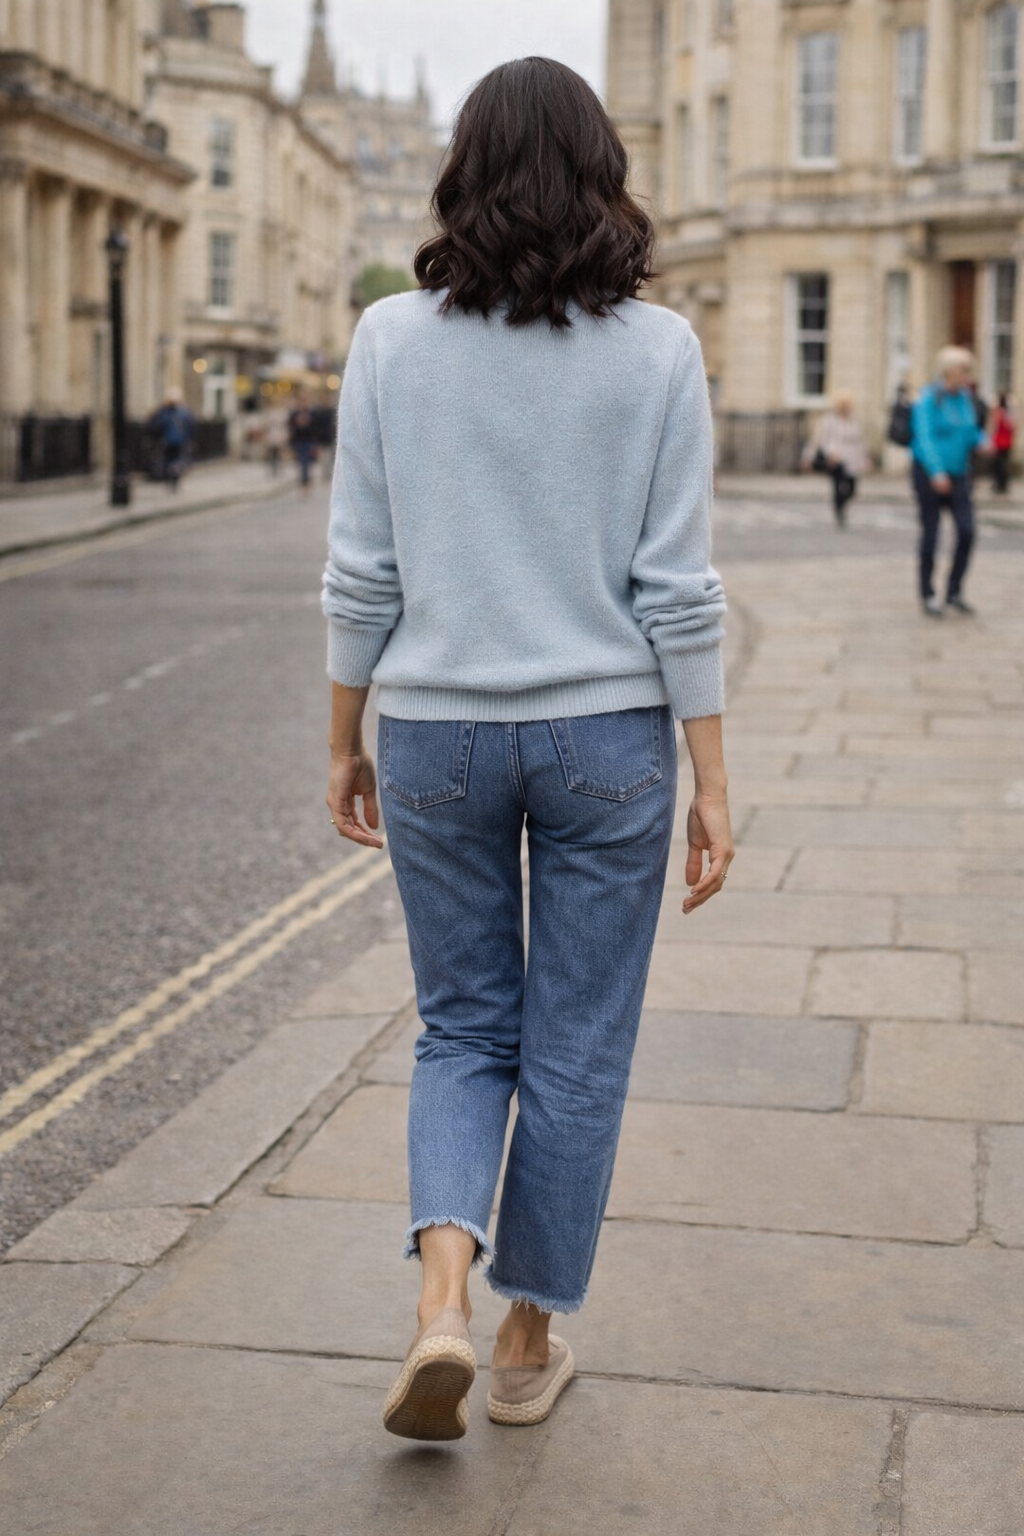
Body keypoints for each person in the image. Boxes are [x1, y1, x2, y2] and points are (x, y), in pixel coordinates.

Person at [321, 57, 733, 1442]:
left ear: (464, 168)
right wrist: (715, 778)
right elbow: (678, 588)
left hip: (434, 729)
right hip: (608, 735)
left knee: (461, 1027)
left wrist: (344, 736)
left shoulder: (389, 338)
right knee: (576, 1045)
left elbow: (360, 573)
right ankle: (520, 1340)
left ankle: (437, 1300)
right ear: (603, 170)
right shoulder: (661, 349)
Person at [911, 346, 989, 617]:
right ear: (949, 371)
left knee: (967, 531)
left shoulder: (965, 398)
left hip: (959, 474)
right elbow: (924, 437)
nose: (968, 376)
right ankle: (928, 593)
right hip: (930, 475)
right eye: (963, 370)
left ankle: (954, 590)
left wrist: (983, 442)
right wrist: (936, 471)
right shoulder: (929, 398)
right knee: (931, 534)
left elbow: (970, 430)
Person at [801, 391, 871, 527]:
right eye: (844, 404)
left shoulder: (855, 419)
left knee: (851, 489)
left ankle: (841, 504)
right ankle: (839, 509)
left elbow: (861, 441)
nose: (846, 407)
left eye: (848, 404)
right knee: (838, 486)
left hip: (853, 459)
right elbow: (818, 440)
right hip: (835, 458)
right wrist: (808, 457)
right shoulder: (829, 420)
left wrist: (866, 458)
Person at [147, 387, 194, 490]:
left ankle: (171, 478)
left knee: (170, 461)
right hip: (177, 441)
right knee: (174, 461)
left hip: (169, 441)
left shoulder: (164, 412)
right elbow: (190, 426)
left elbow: (155, 425)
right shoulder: (183, 412)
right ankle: (173, 479)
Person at [288, 395, 319, 490]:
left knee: (307, 461)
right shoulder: (294, 414)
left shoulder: (312, 414)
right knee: (300, 461)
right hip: (298, 440)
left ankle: (305, 480)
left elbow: (315, 429)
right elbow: (291, 428)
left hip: (308, 440)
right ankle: (303, 479)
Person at [990, 392, 1015, 493]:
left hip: (999, 441)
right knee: (1003, 464)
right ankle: (1002, 484)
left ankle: (1000, 484)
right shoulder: (1009, 413)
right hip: (1007, 442)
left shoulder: (999, 413)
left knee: (998, 465)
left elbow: (994, 428)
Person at [263, 402, 289, 476]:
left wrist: (284, 435)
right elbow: (266, 426)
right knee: (272, 453)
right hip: (272, 436)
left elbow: (284, 426)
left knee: (279, 453)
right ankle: (273, 469)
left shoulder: (282, 413)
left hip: (279, 435)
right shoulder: (269, 413)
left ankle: (279, 468)